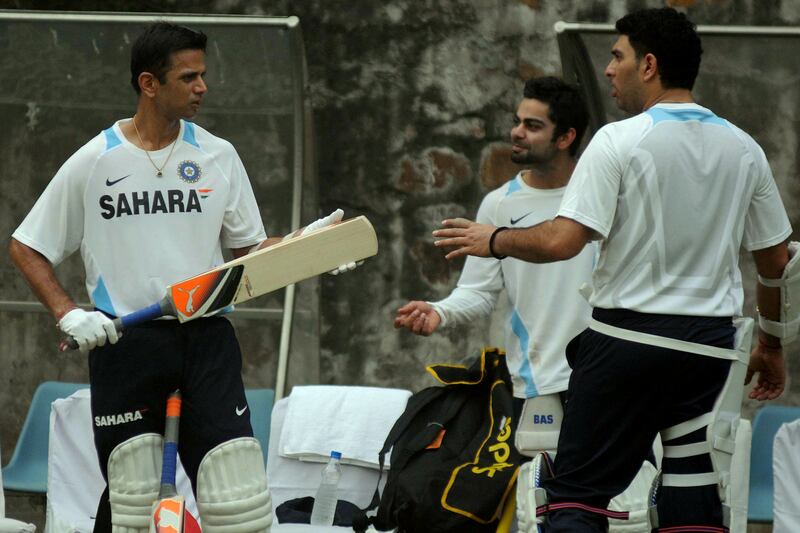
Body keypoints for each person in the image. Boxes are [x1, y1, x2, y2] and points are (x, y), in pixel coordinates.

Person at [433, 7, 792, 532]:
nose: (607, 69)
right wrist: (772, 345)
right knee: (691, 491)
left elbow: (562, 240)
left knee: (575, 494)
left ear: (648, 65)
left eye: (616, 56)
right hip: (708, 349)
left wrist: (495, 239)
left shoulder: (617, 139)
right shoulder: (745, 148)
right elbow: (778, 263)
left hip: (628, 341)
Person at [9, 22, 350, 533]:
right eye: (189, 77)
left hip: (206, 338)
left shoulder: (217, 155)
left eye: (203, 75)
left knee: (239, 504)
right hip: (127, 343)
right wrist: (69, 312)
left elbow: (250, 253)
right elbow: (27, 245)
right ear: (150, 84)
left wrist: (306, 248)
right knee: (135, 507)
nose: (202, 87)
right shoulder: (95, 160)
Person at [394, 76, 593, 409]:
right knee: (537, 465)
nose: (516, 132)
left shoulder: (600, 194)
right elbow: (480, 291)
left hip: (604, 376)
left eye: (532, 125)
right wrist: (440, 312)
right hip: (536, 382)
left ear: (566, 137)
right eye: (517, 121)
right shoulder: (499, 204)